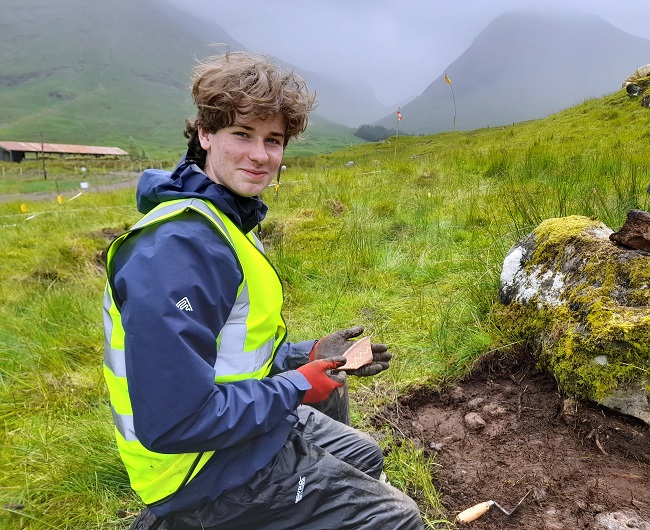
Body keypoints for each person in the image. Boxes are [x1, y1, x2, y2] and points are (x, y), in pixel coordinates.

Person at [102, 50, 423, 529]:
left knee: (364, 455)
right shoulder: (179, 249)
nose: (260, 155)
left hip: (229, 431)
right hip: (196, 467)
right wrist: (296, 384)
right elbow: (173, 421)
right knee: (395, 519)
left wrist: (305, 355)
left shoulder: (223, 218)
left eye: (273, 140)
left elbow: (231, 355)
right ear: (205, 134)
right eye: (242, 134)